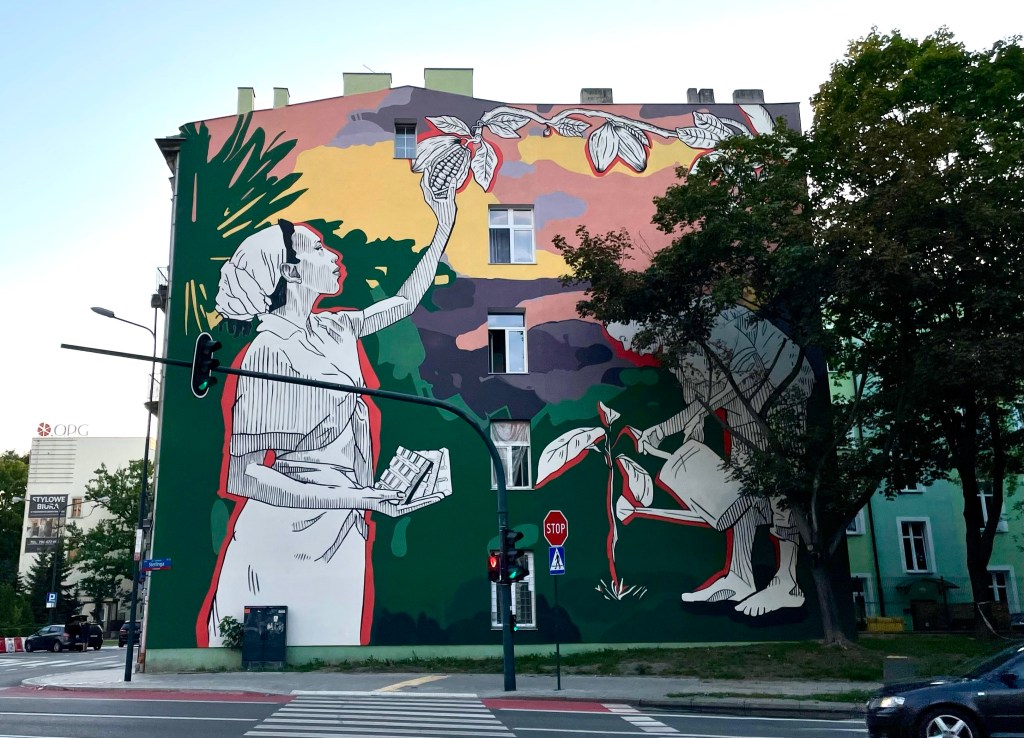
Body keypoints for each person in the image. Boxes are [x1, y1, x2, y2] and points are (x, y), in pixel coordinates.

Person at [198, 174, 457, 647]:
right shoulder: (267, 353)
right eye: (317, 249)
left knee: (335, 641)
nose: (333, 255)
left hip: (343, 529)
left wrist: (444, 225)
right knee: (287, 645)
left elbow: (404, 302)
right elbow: (245, 476)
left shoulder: (335, 328)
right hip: (282, 538)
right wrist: (362, 498)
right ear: (291, 271)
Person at [610, 305, 815, 616]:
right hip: (746, 402)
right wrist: (687, 429)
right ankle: (740, 577)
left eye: (626, 337)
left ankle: (787, 582)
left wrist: (667, 427)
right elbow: (701, 398)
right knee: (741, 486)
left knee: (778, 487)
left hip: (782, 387)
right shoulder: (676, 348)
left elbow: (746, 374)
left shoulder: (703, 323)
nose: (627, 347)